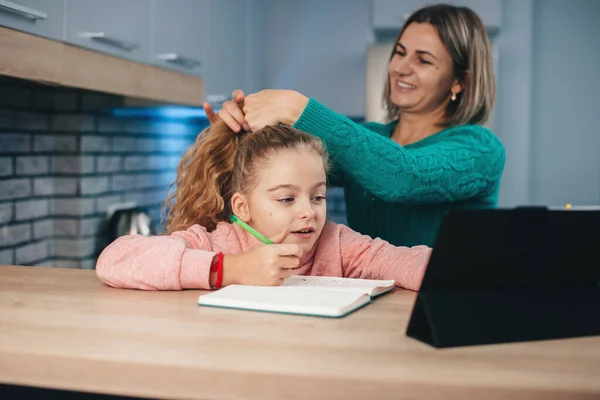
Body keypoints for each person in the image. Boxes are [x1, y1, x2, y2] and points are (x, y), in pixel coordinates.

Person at [204, 4, 506, 247]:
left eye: (423, 60)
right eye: (399, 53)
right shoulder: (372, 138)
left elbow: (404, 176)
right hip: (369, 300)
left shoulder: (480, 148)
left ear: (459, 81)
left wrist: (299, 108)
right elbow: (277, 177)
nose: (401, 67)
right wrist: (237, 137)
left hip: (446, 308)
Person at [95, 122, 431, 291]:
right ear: (242, 207)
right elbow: (116, 259)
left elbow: (402, 261)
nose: (308, 212)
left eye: (317, 197)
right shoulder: (215, 242)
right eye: (287, 198)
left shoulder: (338, 244)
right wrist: (232, 270)